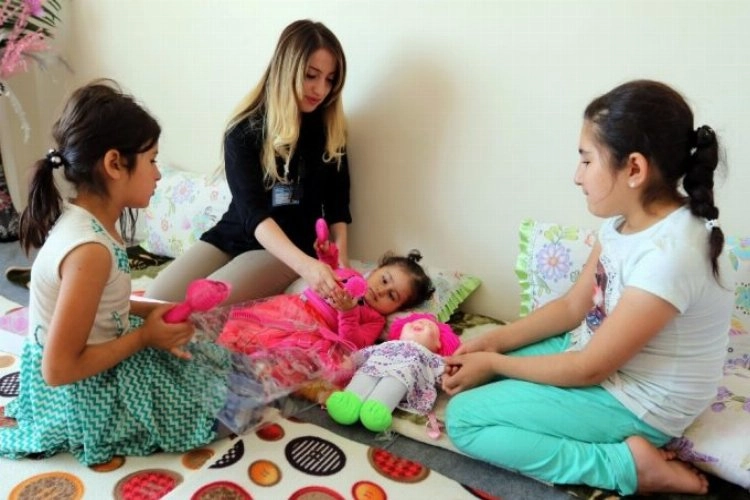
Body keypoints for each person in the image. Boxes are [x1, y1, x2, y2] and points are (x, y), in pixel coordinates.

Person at [442, 80, 733, 496]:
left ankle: (627, 467)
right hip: (598, 358)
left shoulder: (671, 255)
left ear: (634, 169)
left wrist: (496, 363)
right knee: (478, 371)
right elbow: (572, 307)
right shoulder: (621, 223)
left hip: (639, 401)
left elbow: (589, 369)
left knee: (466, 420)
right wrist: (493, 343)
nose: (577, 176)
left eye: (586, 160)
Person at [0, 80, 232, 465]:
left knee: (212, 364)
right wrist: (144, 338)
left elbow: (103, 306)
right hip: (79, 392)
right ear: (114, 164)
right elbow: (58, 369)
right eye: (152, 160)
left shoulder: (88, 220)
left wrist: (152, 311)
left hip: (91, 356)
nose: (158, 175)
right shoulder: (89, 250)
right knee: (211, 411)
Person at [146, 19, 352, 305]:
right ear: (286, 69)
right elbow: (252, 212)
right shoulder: (243, 131)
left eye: (330, 79)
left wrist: (339, 263)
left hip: (287, 248)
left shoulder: (330, 132)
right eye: (311, 75)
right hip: (236, 233)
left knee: (203, 304)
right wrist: (308, 267)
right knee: (156, 299)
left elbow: (337, 207)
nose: (320, 89)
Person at [214, 250, 435, 386]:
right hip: (293, 308)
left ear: (397, 308)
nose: (381, 290)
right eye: (384, 280)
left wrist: (348, 312)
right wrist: (325, 256)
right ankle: (225, 353)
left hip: (314, 331)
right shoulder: (352, 275)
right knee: (248, 325)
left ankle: (254, 370)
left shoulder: (375, 319)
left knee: (291, 357)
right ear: (376, 270)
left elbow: (353, 344)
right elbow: (331, 273)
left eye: (392, 296)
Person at [326, 312, 460, 432]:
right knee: (364, 374)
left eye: (430, 327)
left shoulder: (429, 355)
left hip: (402, 375)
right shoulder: (387, 344)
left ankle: (377, 407)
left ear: (437, 344)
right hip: (374, 366)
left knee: (394, 382)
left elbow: (445, 370)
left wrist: (448, 376)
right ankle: (349, 400)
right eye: (415, 322)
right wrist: (352, 361)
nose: (421, 323)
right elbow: (366, 353)